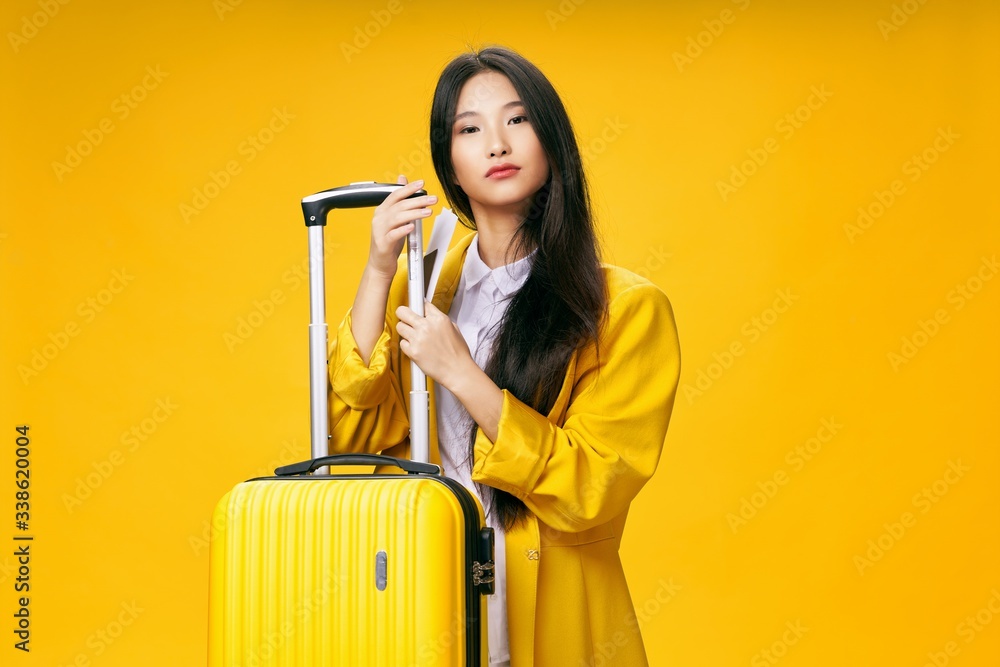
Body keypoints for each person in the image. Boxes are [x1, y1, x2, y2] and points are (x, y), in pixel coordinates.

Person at [327, 46, 680, 667]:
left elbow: (591, 488)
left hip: (552, 617)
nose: (496, 143)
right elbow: (350, 435)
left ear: (552, 143)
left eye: (517, 120)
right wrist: (380, 270)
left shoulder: (624, 309)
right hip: (424, 602)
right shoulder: (423, 286)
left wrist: (462, 373)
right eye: (469, 128)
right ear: (451, 167)